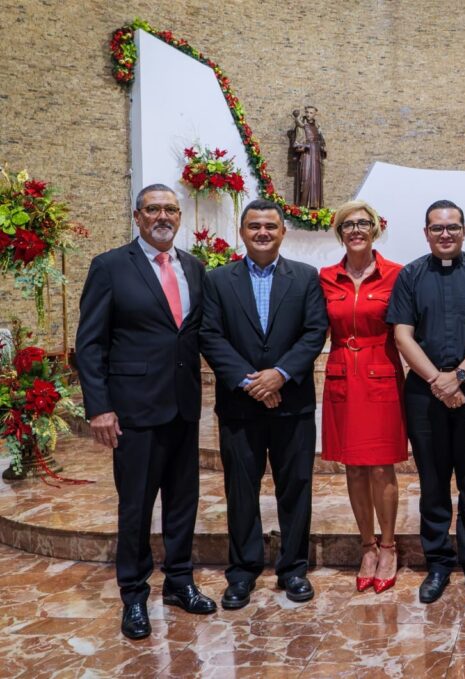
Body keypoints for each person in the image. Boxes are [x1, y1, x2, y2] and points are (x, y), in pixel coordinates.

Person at [77, 184, 215, 640]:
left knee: (183, 503)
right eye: (152, 209)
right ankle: (133, 595)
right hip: (134, 410)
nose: (162, 216)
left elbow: (197, 336)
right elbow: (91, 343)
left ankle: (179, 583)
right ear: (137, 217)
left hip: (183, 406)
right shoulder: (111, 267)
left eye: (170, 209)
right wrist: (99, 407)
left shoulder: (194, 267)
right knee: (135, 506)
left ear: (179, 216)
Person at [199, 198, 328, 610]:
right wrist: (249, 380)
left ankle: (293, 569)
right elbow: (210, 335)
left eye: (270, 226)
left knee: (296, 489)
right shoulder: (218, 280)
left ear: (282, 232)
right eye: (254, 226)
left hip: (292, 404)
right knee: (241, 490)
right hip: (239, 406)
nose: (262, 233)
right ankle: (242, 572)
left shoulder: (306, 278)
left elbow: (314, 331)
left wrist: (280, 374)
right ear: (242, 231)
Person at [387, 199, 465, 604]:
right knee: (433, 482)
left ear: (463, 229)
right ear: (426, 232)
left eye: (453, 227)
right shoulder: (410, 275)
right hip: (425, 394)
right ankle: (438, 561)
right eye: (437, 228)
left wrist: (457, 377)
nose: (445, 234)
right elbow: (402, 335)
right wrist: (437, 381)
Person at [319, 200, 407, 594]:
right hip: (341, 374)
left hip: (382, 374)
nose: (356, 230)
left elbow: (409, 327)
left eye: (363, 223)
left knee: (381, 467)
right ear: (340, 233)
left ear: (375, 229)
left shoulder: (396, 275)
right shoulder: (325, 277)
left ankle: (388, 547)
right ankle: (366, 547)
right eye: (347, 225)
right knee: (353, 467)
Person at [293, 105, 326, 208]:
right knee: (305, 177)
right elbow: (297, 144)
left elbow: (322, 143)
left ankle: (314, 204)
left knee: (315, 179)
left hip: (316, 154)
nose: (308, 114)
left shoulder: (317, 127)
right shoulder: (302, 127)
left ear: (315, 114)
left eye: (311, 113)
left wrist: (321, 145)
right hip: (306, 155)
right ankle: (303, 205)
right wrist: (304, 146)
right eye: (307, 112)